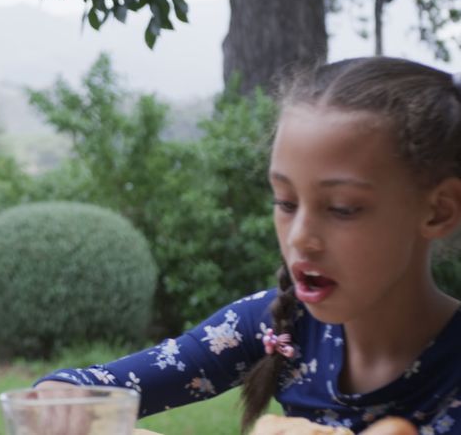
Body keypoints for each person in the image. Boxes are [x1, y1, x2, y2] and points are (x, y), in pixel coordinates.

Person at [36, 57, 461, 433]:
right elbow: (94, 389)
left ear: (438, 212)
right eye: (286, 202)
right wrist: (60, 398)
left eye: (343, 208)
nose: (299, 237)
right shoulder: (274, 323)